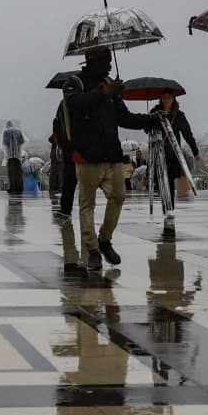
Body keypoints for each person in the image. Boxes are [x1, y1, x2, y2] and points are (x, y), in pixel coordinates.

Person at [60, 48, 162, 271]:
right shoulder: (74, 83)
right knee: (87, 205)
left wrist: (151, 119)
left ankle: (105, 239)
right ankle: (92, 250)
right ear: (93, 62)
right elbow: (76, 104)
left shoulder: (109, 85)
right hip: (87, 157)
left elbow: (124, 118)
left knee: (118, 196)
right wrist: (105, 93)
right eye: (106, 62)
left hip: (112, 155)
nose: (109, 66)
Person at [2, 120, 27, 194]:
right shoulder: (18, 131)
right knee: (18, 172)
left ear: (7, 125)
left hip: (10, 156)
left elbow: (5, 142)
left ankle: (12, 187)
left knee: (11, 173)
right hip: (17, 155)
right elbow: (22, 141)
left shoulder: (6, 131)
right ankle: (20, 187)